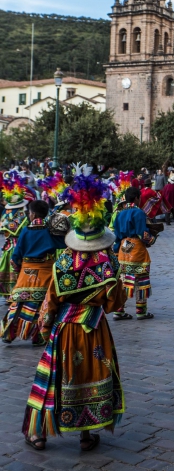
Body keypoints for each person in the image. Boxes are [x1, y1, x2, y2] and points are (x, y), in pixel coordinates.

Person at [22, 167, 126, 451]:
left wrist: (45, 328)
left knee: (52, 378)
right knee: (91, 376)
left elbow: (50, 304)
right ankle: (86, 433)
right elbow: (115, 303)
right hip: (94, 330)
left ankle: (38, 433)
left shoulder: (61, 265)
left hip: (65, 330)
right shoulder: (108, 266)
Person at [1, 200, 67, 345]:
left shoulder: (25, 230)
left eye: (29, 212)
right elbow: (62, 243)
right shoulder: (50, 230)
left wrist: (17, 267)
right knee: (41, 305)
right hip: (46, 271)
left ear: (33, 214)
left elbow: (17, 254)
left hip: (27, 271)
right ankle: (38, 336)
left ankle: (9, 333)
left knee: (18, 302)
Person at [113, 187, 157, 320]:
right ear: (137, 198)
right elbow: (142, 234)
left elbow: (117, 235)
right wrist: (152, 238)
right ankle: (141, 311)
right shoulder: (139, 213)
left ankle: (119, 311)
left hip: (124, 248)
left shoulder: (119, 213)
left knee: (123, 280)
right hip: (137, 249)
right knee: (141, 280)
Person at [0, 172, 29, 301]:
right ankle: (15, 294)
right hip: (18, 246)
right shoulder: (23, 215)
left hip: (8, 246)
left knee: (7, 268)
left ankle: (9, 295)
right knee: (17, 270)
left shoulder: (6, 214)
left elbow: (4, 229)